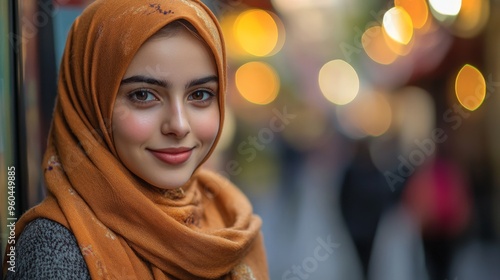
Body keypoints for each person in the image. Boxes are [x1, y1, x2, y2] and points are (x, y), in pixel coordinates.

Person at [3, 0, 269, 279]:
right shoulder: (56, 248)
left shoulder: (230, 218)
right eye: (143, 95)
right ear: (91, 105)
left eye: (200, 94)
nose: (178, 125)